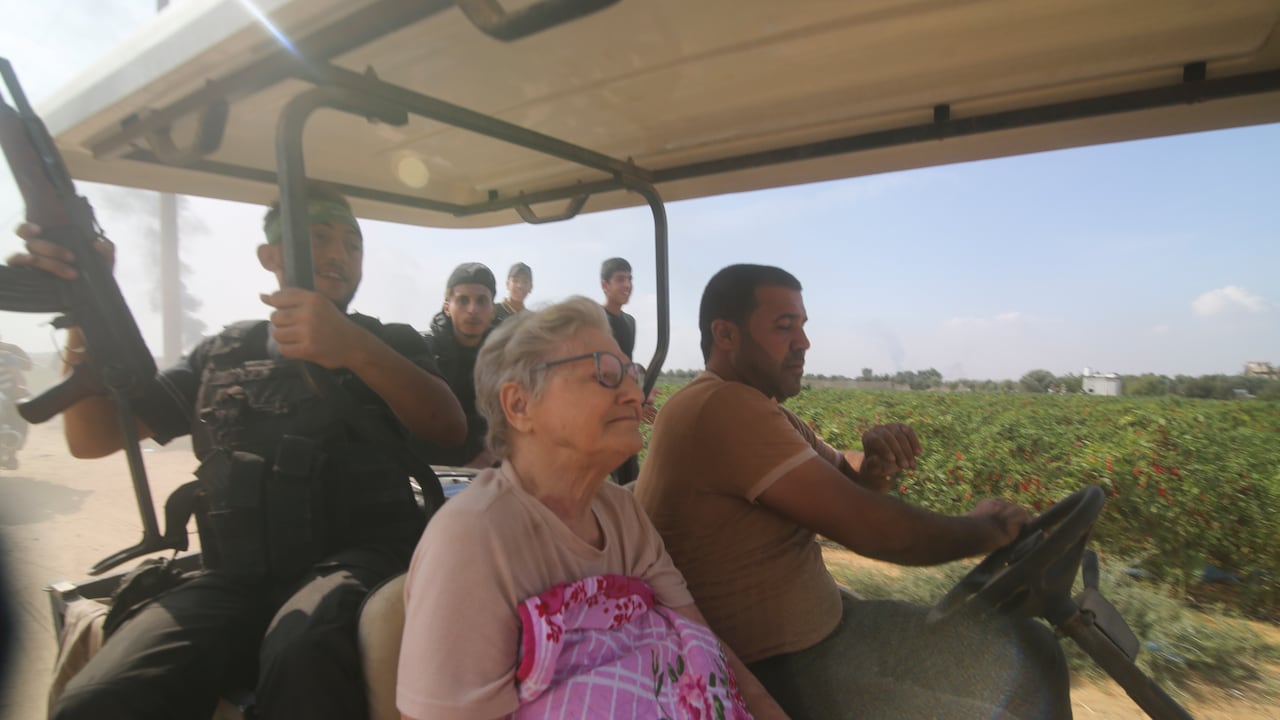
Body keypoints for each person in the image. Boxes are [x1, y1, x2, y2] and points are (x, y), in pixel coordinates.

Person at [8, 183, 467, 720]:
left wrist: (352, 347)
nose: (339, 254)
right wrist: (85, 302)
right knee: (101, 695)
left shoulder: (388, 341)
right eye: (319, 238)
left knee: (304, 654)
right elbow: (92, 438)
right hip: (233, 577)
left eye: (352, 244)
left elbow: (448, 427)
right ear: (269, 256)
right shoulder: (222, 351)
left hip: (351, 563)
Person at [634, 264, 1072, 720]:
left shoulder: (763, 410)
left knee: (1034, 648)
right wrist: (989, 528)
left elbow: (846, 475)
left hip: (832, 627)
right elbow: (876, 532)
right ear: (725, 335)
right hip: (775, 667)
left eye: (802, 327)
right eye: (785, 328)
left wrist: (876, 465)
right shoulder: (719, 407)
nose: (803, 342)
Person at [397, 296, 786, 720]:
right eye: (605, 374)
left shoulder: (622, 512)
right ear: (520, 405)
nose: (635, 394)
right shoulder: (473, 539)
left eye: (631, 374)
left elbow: (698, 641)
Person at [423, 262, 499, 467]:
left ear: (492, 309)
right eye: (463, 300)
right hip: (430, 474)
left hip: (490, 474)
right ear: (447, 307)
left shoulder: (505, 359)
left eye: (482, 301)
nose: (473, 310)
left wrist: (485, 461)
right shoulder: (424, 354)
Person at [0, 334, 32, 470]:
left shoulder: (9, 352)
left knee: (21, 411)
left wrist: (20, 387)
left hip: (9, 392)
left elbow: (23, 369)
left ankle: (11, 453)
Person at [599, 257, 635, 358]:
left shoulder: (630, 322)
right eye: (620, 279)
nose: (627, 285)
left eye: (630, 279)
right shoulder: (592, 319)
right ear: (605, 285)